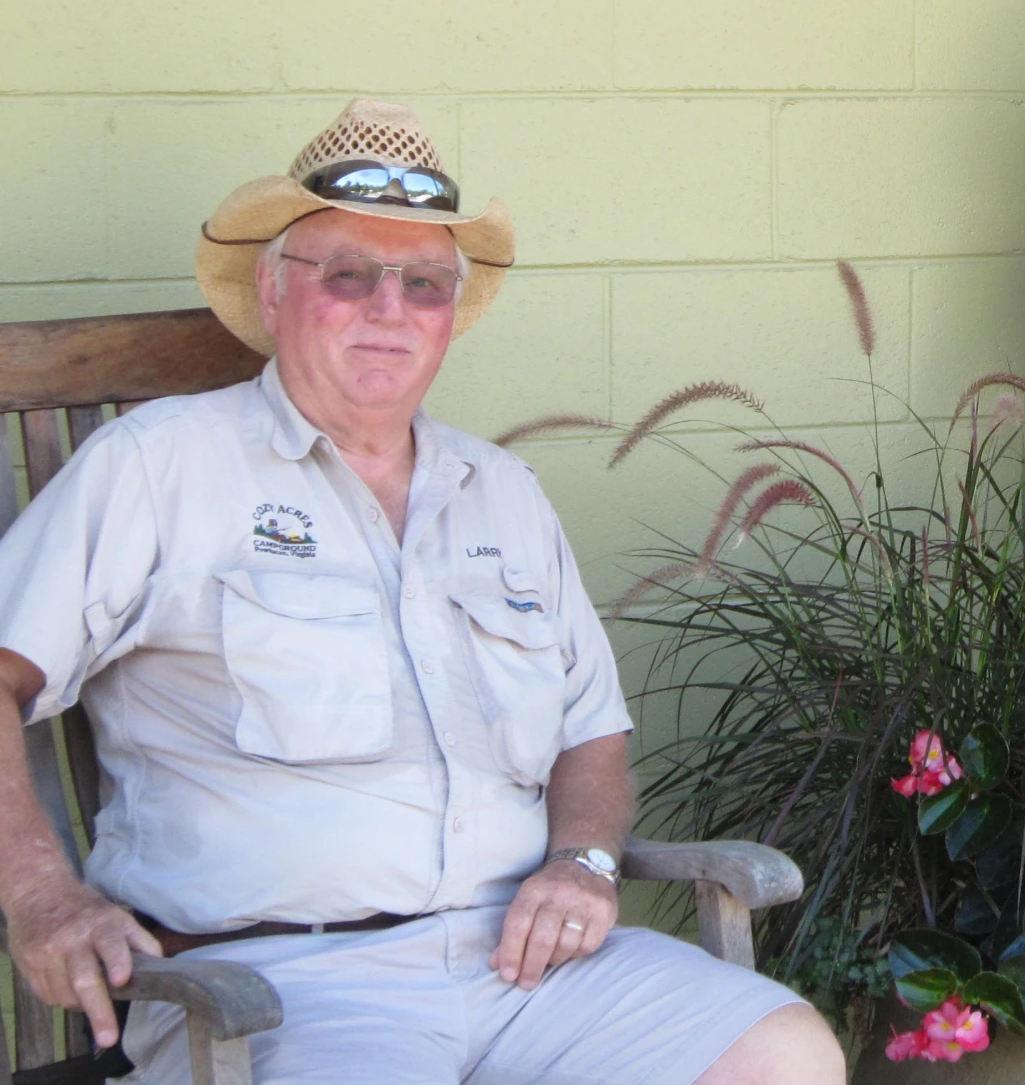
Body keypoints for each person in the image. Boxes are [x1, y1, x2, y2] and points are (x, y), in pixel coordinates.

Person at [0, 99, 843, 1085]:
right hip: (280, 987)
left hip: (530, 973)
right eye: (348, 275)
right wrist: (39, 892)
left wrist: (583, 862)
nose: (389, 308)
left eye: (425, 283)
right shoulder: (159, 466)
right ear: (273, 294)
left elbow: (591, 734)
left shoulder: (502, 493)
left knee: (782, 1054)